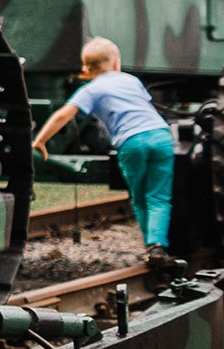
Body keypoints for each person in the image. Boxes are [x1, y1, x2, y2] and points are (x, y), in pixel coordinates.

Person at [32, 37, 174, 265]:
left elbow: (62, 116)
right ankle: (159, 244)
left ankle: (151, 246)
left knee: (139, 197)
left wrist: (40, 140)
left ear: (86, 70)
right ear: (116, 63)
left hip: (132, 142)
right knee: (159, 196)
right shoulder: (132, 80)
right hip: (161, 136)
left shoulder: (91, 89)